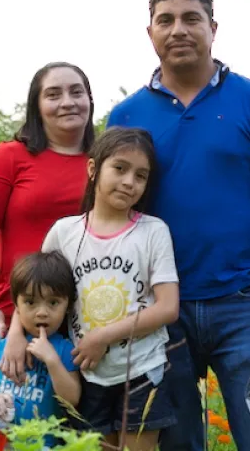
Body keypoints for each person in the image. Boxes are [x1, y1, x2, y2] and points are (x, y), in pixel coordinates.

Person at [106, 0, 250, 451]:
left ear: (213, 27)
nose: (179, 29)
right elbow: (112, 214)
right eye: (166, 20)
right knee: (174, 445)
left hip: (245, 304)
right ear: (150, 33)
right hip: (158, 310)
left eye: (191, 18)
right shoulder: (125, 116)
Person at [36, 126, 179, 451]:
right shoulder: (64, 233)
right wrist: (17, 335)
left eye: (141, 176)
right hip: (85, 373)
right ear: (93, 168)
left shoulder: (153, 232)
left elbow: (167, 307)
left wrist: (102, 336)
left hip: (142, 369)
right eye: (120, 168)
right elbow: (36, 291)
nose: (130, 182)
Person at [0, 62, 95, 382]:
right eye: (53, 94)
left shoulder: (105, 162)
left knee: (84, 426)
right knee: (18, 420)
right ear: (36, 105)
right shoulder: (8, 157)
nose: (67, 102)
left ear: (90, 100)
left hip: (88, 320)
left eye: (77, 92)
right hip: (18, 318)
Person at [0, 251, 81, 448]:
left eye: (53, 302)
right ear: (16, 303)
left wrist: (52, 361)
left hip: (39, 443)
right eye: (30, 302)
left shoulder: (64, 349)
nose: (42, 312)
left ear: (68, 305)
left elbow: (72, 399)